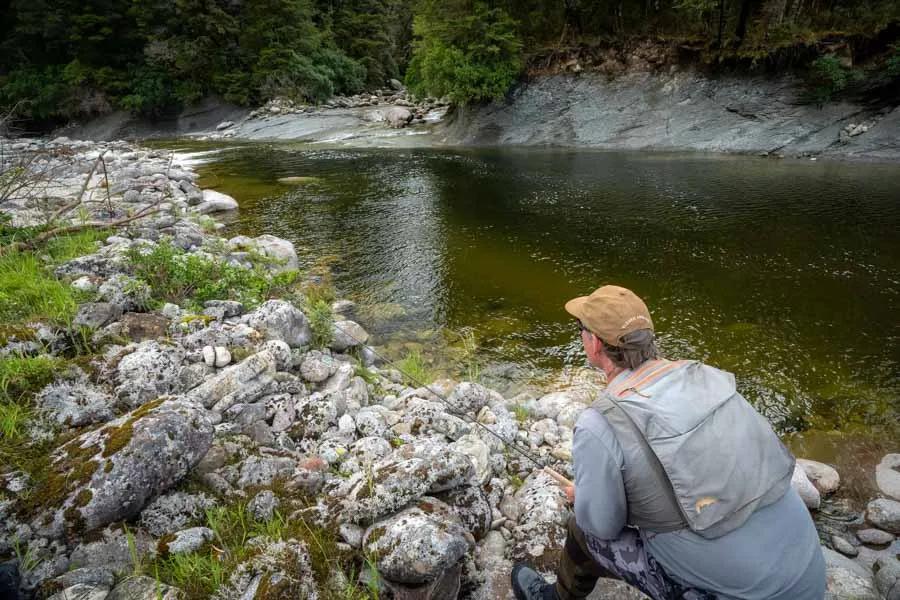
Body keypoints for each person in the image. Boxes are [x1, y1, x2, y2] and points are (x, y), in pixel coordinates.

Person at [511, 285, 826, 600]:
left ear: (594, 343)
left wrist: (586, 500)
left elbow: (601, 527)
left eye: (581, 329)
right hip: (809, 583)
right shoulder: (706, 378)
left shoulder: (599, 423)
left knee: (583, 529)